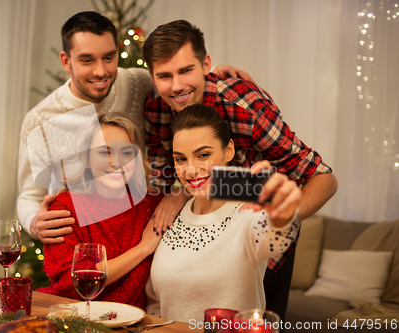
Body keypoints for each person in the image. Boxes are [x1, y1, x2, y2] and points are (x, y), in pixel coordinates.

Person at [142, 20, 337, 321]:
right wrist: (178, 193)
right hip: (201, 236)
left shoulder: (244, 105)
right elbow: (171, 172)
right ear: (152, 78)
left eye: (186, 70)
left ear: (206, 64)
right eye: (164, 76)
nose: (177, 85)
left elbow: (323, 177)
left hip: (261, 237)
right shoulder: (155, 108)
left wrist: (281, 213)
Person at [17, 11, 252, 244]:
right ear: (66, 61)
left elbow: (177, 78)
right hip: (81, 237)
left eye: (109, 58)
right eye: (87, 60)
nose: (101, 71)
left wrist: (214, 75)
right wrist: (33, 223)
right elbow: (29, 195)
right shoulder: (39, 120)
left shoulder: (136, 82)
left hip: (144, 224)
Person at [145, 104, 301, 323]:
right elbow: (157, 304)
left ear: (229, 150)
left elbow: (276, 238)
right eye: (181, 159)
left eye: (203, 155)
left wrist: (284, 211)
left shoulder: (248, 215)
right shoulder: (171, 214)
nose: (190, 169)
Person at [40, 112, 163, 309]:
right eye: (104, 152)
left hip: (132, 323)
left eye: (126, 153)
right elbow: (71, 284)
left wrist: (178, 196)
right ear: (86, 159)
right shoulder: (66, 207)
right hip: (73, 317)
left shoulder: (150, 202)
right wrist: (143, 249)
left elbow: (199, 192)